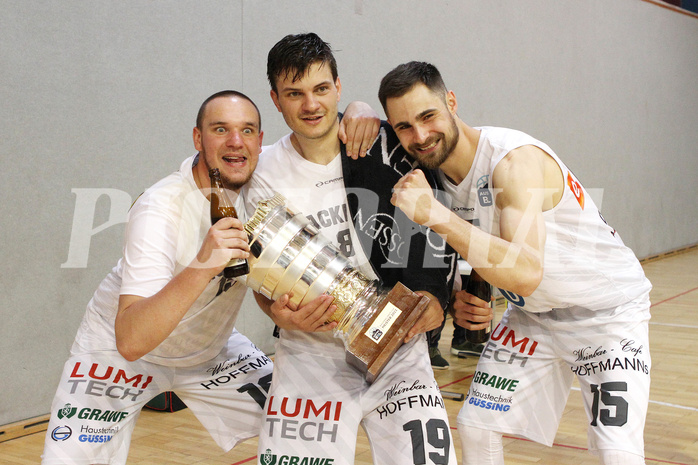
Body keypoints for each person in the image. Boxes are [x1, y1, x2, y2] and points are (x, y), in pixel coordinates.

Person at [379, 62, 652, 465]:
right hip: (533, 318)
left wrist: (434, 214)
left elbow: (525, 273)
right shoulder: (433, 173)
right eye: (404, 126)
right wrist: (460, 296)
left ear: (451, 102)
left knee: (616, 451)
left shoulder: (513, 163)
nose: (419, 135)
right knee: (476, 427)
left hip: (606, 315)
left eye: (428, 116)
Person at [245, 34, 459, 465]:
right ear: (275, 99)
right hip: (309, 351)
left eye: (321, 89)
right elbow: (259, 271)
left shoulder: (384, 144)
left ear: (339, 88)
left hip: (398, 345)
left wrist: (435, 300)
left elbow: (431, 236)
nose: (311, 105)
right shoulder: (261, 172)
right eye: (294, 93)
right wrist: (276, 313)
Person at [41, 91, 275, 465]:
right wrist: (203, 264)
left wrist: (358, 111)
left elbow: (315, 133)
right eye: (220, 130)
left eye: (247, 130)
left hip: (208, 349)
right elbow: (131, 340)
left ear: (260, 142)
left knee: (302, 423)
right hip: (121, 351)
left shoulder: (263, 184)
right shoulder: (159, 207)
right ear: (198, 138)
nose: (236, 142)